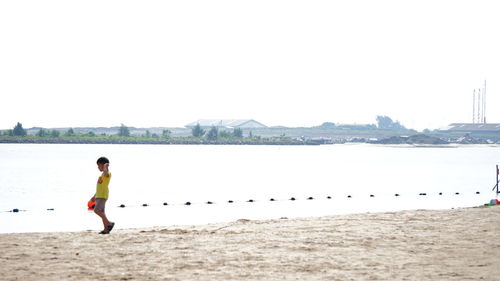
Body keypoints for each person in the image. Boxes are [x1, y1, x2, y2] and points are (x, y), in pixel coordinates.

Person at [89, 157, 115, 234]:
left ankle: (109, 223)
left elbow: (106, 172)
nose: (98, 167)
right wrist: (94, 196)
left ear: (104, 166)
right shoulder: (101, 176)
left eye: (99, 165)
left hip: (102, 195)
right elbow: (99, 187)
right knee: (102, 212)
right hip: (99, 195)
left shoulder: (107, 174)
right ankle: (106, 229)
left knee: (96, 210)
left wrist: (105, 167)